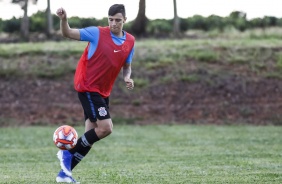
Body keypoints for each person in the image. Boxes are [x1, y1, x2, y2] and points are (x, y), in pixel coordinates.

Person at [55, 4, 135, 183]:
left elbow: (127, 66)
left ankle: (64, 175)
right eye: (111, 19)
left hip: (103, 91)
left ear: (125, 20)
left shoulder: (130, 41)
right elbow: (67, 33)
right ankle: (65, 154)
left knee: (90, 135)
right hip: (88, 87)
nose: (114, 23)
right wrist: (64, 20)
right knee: (106, 128)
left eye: (118, 20)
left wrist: (127, 78)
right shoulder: (96, 33)